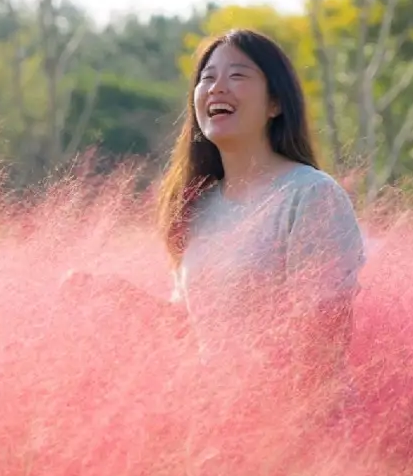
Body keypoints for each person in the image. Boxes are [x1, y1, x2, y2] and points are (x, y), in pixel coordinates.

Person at [157, 29, 366, 392]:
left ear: (275, 104)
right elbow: (191, 329)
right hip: (221, 427)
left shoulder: (311, 196)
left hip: (296, 429)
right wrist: (117, 300)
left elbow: (323, 345)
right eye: (207, 78)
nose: (217, 87)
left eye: (237, 75)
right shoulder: (198, 205)